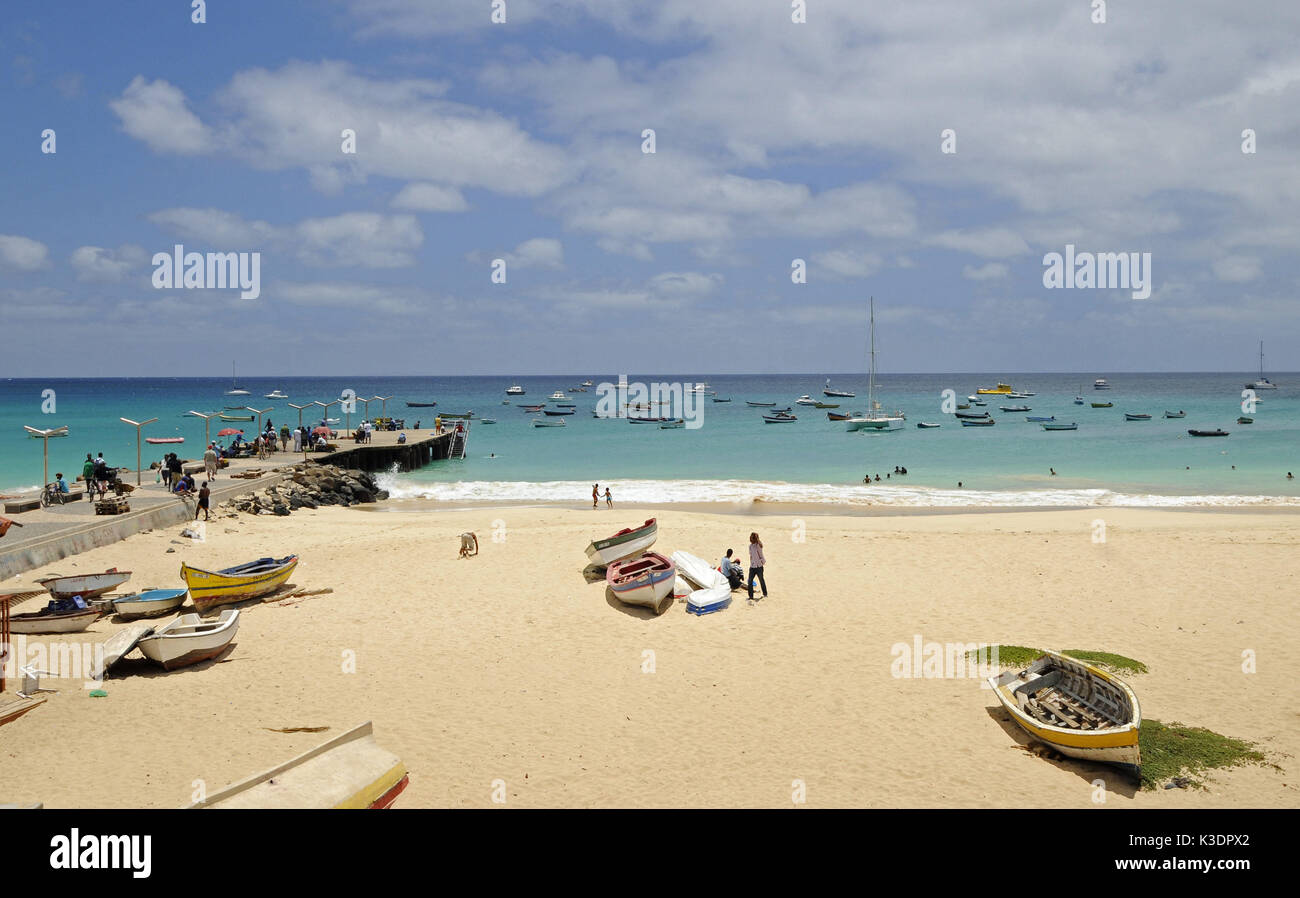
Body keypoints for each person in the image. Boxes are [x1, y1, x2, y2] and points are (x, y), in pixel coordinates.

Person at [747, 532, 768, 601]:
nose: (750, 539)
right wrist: (751, 563)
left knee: (761, 580)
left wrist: (761, 562)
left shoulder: (758, 545)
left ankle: (765, 594)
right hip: (752, 567)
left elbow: (761, 552)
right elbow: (751, 556)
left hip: (759, 566)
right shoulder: (750, 546)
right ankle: (751, 596)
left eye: (752, 537)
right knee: (750, 581)